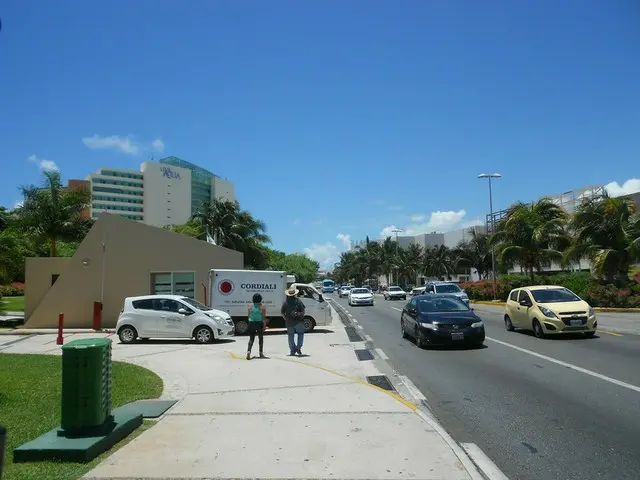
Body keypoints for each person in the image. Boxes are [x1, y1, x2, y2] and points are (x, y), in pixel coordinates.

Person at [281, 285, 306, 356]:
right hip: (299, 321)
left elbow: (282, 312)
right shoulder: (298, 301)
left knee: (291, 336)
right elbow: (303, 311)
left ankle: (292, 350)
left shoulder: (285, 303)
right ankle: (298, 347)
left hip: (289, 322)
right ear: (295, 294)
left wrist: (286, 319)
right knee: (300, 334)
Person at [246, 293, 267, 360]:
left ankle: (249, 351)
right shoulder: (262, 306)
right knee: (260, 338)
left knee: (251, 338)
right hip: (259, 323)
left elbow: (249, 316)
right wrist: (264, 326)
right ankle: (261, 353)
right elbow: (263, 318)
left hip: (251, 322)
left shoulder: (250, 306)